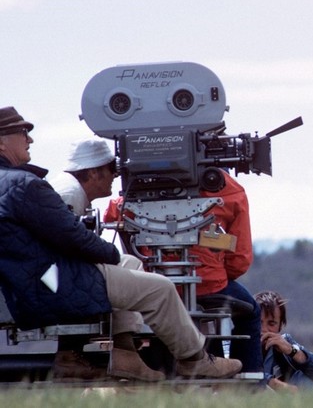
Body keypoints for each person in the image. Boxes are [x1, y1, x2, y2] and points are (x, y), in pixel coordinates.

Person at [0, 106, 243, 382]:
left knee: (132, 264)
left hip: (37, 277)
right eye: (23, 133)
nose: (29, 139)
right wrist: (110, 253)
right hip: (52, 281)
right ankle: (195, 361)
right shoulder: (24, 185)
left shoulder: (14, 184)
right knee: (160, 288)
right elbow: (71, 237)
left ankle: (125, 353)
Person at [103, 158, 263, 375]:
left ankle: (152, 369)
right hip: (209, 285)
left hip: (150, 285)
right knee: (251, 311)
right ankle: (249, 379)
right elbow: (239, 260)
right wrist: (211, 269)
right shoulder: (229, 190)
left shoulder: (139, 184)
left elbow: (113, 216)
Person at [49, 138, 160, 381]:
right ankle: (122, 352)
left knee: (127, 264)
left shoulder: (68, 189)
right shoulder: (69, 193)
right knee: (129, 268)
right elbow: (63, 245)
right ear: (93, 172)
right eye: (111, 170)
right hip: (51, 276)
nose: (114, 176)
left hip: (52, 271)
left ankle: (124, 350)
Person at [254, 290, 313, 393]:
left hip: (282, 399)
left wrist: (292, 351)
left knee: (305, 378)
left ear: (280, 326)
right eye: (258, 322)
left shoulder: (283, 343)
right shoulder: (239, 343)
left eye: (271, 324)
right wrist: (275, 383)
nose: (263, 329)